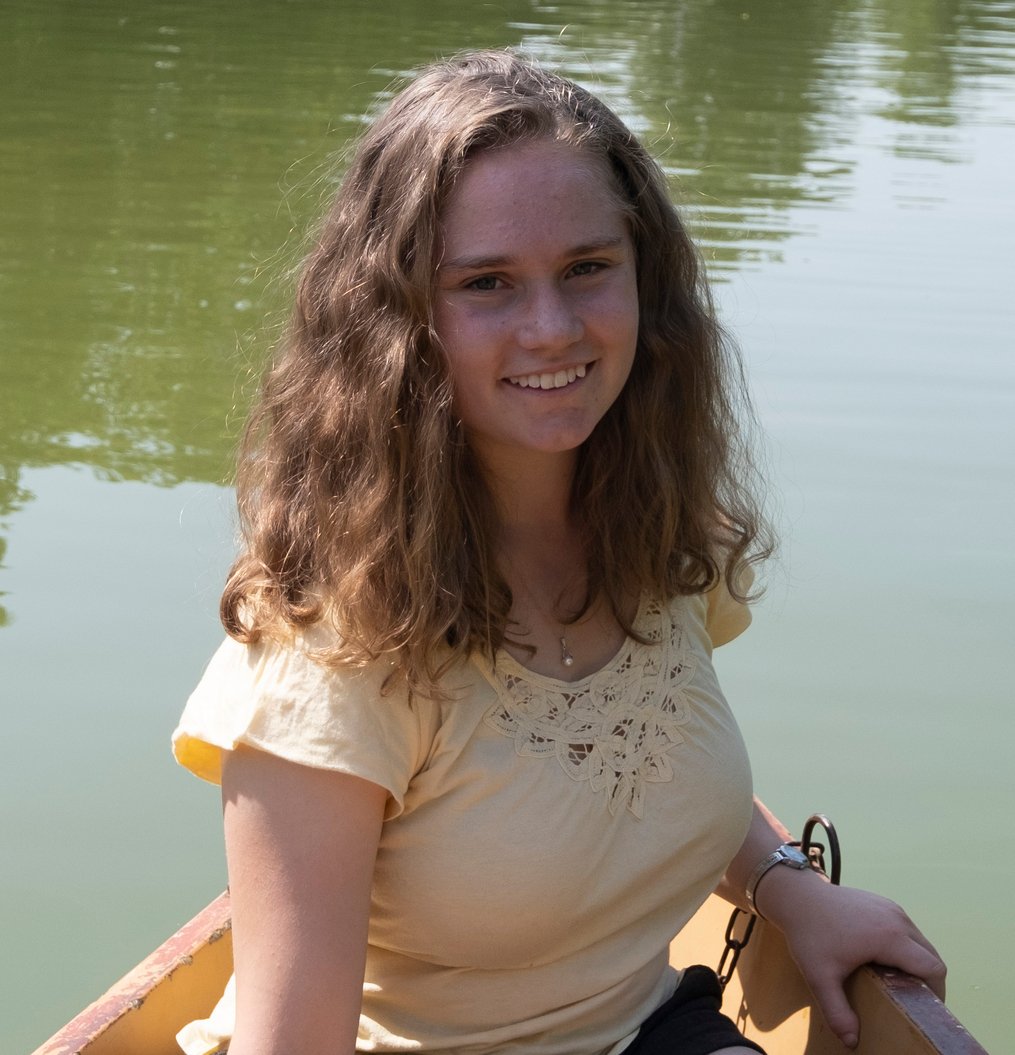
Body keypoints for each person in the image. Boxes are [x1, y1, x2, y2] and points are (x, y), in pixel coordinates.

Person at [172, 50, 945, 1055]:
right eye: (486, 283)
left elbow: (649, 759)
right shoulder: (328, 660)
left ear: (643, 281)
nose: (552, 328)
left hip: (641, 1027)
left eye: (587, 268)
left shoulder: (657, 536)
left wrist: (786, 887)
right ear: (396, 321)